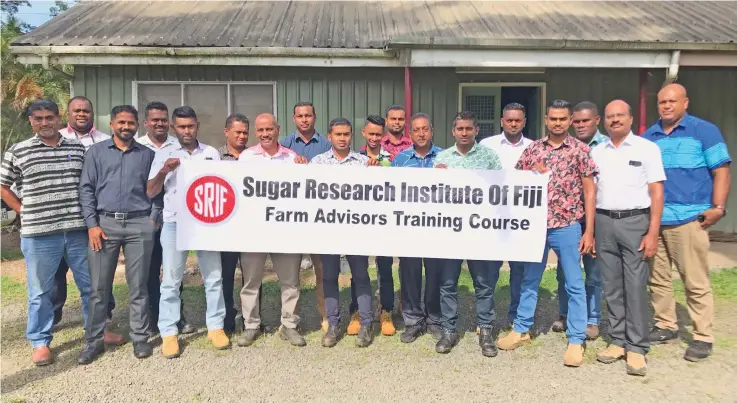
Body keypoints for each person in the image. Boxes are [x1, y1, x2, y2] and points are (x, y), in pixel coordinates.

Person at [499, 100, 597, 368]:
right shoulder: (533, 149)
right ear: (545, 119)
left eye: (563, 119)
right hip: (535, 227)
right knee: (529, 280)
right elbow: (516, 182)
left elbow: (590, 190)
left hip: (567, 226)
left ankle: (576, 339)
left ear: (569, 120)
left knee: (574, 283)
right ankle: (521, 329)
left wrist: (589, 230)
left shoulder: (580, 150)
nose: (557, 123)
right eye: (553, 118)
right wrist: (532, 172)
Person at [643, 83, 732, 362]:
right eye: (662, 102)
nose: (666, 106)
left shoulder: (704, 131)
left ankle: (703, 335)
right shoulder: (649, 137)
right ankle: (665, 325)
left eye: (672, 101)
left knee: (694, 280)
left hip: (689, 219)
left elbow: (721, 170)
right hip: (655, 220)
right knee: (657, 279)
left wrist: (718, 207)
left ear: (685, 103)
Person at [0, 99, 91, 366]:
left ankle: (96, 330)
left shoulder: (76, 147)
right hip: (39, 234)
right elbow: (3, 186)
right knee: (40, 291)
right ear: (30, 121)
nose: (44, 123)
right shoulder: (19, 151)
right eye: (38, 118)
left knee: (90, 285)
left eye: (49, 117)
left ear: (58, 118)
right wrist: (21, 209)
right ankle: (40, 341)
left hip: (77, 230)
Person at [76, 105, 159, 364]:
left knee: (139, 286)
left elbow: (157, 189)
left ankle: (140, 337)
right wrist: (92, 224)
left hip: (138, 226)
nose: (126, 127)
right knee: (99, 288)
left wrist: (153, 220)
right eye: (121, 122)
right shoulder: (96, 153)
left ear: (137, 125)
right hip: (105, 226)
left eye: (131, 123)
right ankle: (94, 341)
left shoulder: (147, 154)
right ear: (112, 124)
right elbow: (86, 189)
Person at [146, 106, 229, 358]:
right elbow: (150, 191)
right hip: (174, 223)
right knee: (171, 280)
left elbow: (223, 185)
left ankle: (216, 327)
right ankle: (169, 333)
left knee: (214, 278)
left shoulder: (211, 153)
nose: (186, 130)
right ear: (173, 128)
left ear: (197, 126)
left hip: (206, 223)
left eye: (190, 126)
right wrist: (164, 171)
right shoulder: (164, 154)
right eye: (181, 126)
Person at [592, 100, 665, 376]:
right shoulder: (598, 152)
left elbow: (657, 192)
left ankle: (636, 347)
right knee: (611, 285)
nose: (615, 120)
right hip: (604, 221)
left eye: (620, 115)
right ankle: (618, 340)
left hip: (635, 221)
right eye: (610, 117)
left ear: (631, 118)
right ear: (604, 121)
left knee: (635, 285)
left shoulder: (647, 148)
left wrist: (653, 231)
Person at [433, 111, 503, 357]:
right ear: (453, 131)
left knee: (483, 284)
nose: (464, 133)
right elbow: (431, 195)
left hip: (480, 232)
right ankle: (449, 331)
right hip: (451, 231)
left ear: (476, 130)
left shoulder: (489, 157)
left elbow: (502, 190)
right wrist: (436, 178)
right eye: (459, 129)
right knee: (448, 284)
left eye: (468, 129)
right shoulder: (441, 158)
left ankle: (485, 331)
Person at [236, 113, 308, 347]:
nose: (265, 134)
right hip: (253, 230)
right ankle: (251, 325)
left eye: (269, 129)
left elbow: (303, 192)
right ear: (256, 133)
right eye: (261, 130)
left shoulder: (292, 158)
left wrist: (305, 170)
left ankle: (289, 325)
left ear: (278, 129)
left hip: (284, 229)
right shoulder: (246, 157)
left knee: (290, 281)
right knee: (251, 281)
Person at [54, 96, 121, 344]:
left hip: (95, 220)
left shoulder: (105, 141)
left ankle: (102, 322)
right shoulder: (57, 139)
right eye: (77, 110)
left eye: (86, 110)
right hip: (63, 218)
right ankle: (51, 319)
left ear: (92, 114)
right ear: (68, 113)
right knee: (55, 277)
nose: (82, 114)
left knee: (97, 275)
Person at [311, 117, 380, 348]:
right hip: (328, 230)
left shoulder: (364, 162)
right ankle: (333, 324)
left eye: (346, 134)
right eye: (338, 134)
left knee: (360, 277)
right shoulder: (317, 162)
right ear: (329, 136)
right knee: (329, 277)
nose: (342, 138)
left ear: (352, 136)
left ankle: (366, 323)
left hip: (356, 230)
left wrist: (376, 173)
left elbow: (377, 195)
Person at [551, 101, 607, 339]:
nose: (581, 125)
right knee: (566, 270)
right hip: (568, 219)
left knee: (593, 271)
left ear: (597, 121)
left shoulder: (607, 148)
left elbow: (593, 189)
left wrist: (591, 229)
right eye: (578, 121)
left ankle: (592, 319)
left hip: (596, 216)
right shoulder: (562, 147)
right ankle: (566, 314)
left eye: (587, 121)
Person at [137, 101, 194, 335]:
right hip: (147, 217)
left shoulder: (177, 146)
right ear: (146, 122)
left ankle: (176, 318)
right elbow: (146, 188)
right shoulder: (138, 146)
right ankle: (151, 319)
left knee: (173, 272)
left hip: (174, 217)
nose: (159, 124)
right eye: (155, 120)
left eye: (163, 120)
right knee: (150, 271)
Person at [479, 102, 533, 328]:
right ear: (502, 121)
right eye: (509, 120)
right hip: (492, 218)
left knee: (519, 271)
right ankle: (485, 318)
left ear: (524, 122)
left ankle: (515, 317)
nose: (513, 123)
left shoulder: (534, 147)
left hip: (521, 220)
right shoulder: (486, 145)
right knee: (488, 272)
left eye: (517, 120)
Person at [392, 113, 445, 343]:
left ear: (431, 131)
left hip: (437, 227)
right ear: (410, 134)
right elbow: (389, 191)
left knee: (435, 274)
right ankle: (412, 320)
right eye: (416, 130)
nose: (421, 134)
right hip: (409, 228)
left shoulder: (446, 158)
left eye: (425, 129)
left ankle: (434, 319)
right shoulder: (400, 159)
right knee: (410, 274)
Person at [280, 101, 332, 331]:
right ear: (293, 119)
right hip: (292, 218)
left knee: (322, 272)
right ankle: (291, 320)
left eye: (308, 115)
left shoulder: (327, 145)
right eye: (300, 116)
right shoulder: (283, 146)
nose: (304, 119)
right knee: (291, 276)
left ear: (315, 117)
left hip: (319, 218)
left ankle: (326, 318)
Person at [351, 115, 395, 337]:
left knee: (385, 269)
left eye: (379, 134)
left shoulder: (391, 159)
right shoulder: (354, 159)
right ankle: (357, 311)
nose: (375, 138)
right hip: (359, 223)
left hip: (384, 223)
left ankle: (385, 311)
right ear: (364, 134)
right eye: (371, 134)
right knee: (358, 271)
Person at [217, 113, 259, 335]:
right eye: (238, 132)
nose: (242, 136)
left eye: (245, 132)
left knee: (252, 276)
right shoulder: (215, 157)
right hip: (226, 228)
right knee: (226, 275)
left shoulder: (255, 157)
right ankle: (226, 319)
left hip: (251, 227)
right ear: (226, 132)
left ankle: (252, 320)